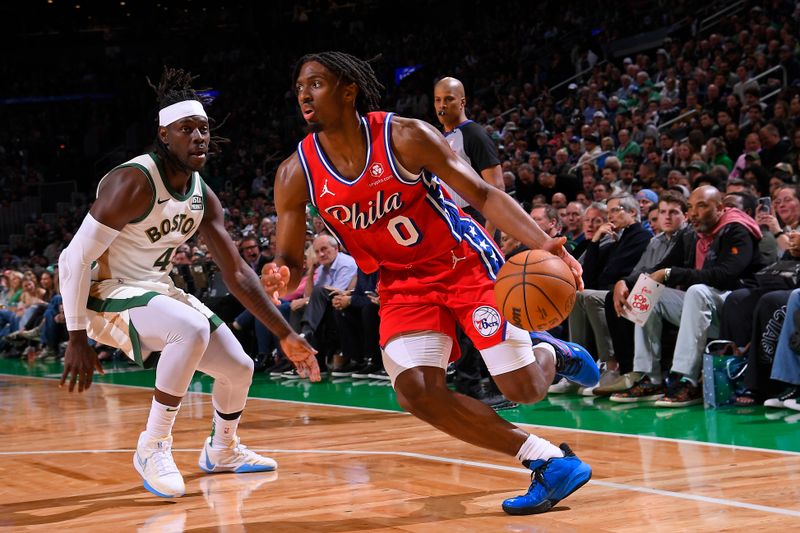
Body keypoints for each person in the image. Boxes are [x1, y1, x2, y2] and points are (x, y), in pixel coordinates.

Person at [264, 51, 598, 515]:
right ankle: (547, 461)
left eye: (316, 83)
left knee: (523, 389)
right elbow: (288, 256)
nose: (304, 93)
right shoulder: (295, 172)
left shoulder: (405, 136)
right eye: (301, 85)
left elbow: (483, 194)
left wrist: (546, 243)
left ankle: (551, 353)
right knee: (416, 390)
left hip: (462, 263)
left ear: (348, 90)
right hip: (401, 283)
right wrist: (282, 271)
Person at [57, 67, 317, 499]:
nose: (199, 138)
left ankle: (222, 449)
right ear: (164, 135)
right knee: (189, 328)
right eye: (187, 129)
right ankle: (153, 445)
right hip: (106, 293)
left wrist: (286, 333)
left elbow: (236, 272)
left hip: (153, 289)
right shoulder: (132, 182)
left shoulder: (201, 194)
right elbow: (71, 260)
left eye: (204, 129)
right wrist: (76, 334)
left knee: (239, 368)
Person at [433, 76, 504, 237]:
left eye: (448, 99)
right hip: (452, 220)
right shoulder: (440, 138)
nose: (442, 105)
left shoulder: (475, 134)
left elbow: (498, 187)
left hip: (477, 220)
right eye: (438, 100)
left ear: (462, 102)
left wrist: (489, 233)